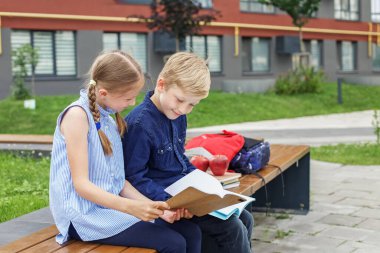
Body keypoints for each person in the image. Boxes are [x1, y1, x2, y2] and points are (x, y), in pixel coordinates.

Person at [49, 50, 201, 253]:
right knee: (173, 243)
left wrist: (157, 209)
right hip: (84, 217)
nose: (132, 103)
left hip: (112, 210)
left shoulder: (109, 121)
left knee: (191, 232)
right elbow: (81, 185)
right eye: (128, 98)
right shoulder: (77, 116)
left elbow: (120, 183)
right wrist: (132, 208)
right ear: (104, 93)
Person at [123, 52, 254, 253]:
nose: (184, 109)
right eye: (180, 100)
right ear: (161, 85)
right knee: (231, 229)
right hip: (165, 201)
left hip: (188, 196)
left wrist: (206, 184)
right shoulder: (140, 124)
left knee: (246, 217)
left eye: (192, 104)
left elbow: (179, 161)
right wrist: (170, 201)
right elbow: (133, 177)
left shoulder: (176, 114)